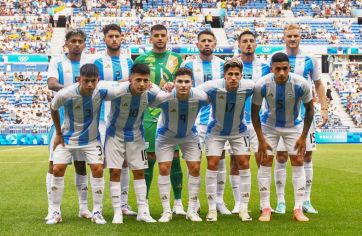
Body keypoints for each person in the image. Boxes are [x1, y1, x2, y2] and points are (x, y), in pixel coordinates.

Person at [46, 64, 129, 225]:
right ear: (79, 80)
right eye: (86, 81)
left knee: (98, 169)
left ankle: (97, 211)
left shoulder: (101, 90)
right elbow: (53, 107)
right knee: (57, 169)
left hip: (91, 140)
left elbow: (121, 85)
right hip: (68, 139)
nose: (90, 85)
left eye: (93, 81)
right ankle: (55, 211)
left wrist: (134, 80)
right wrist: (58, 133)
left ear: (98, 80)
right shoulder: (67, 93)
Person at [251, 52, 314, 222]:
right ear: (271, 68)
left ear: (289, 68)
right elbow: (254, 113)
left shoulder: (301, 84)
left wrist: (303, 136)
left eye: (285, 69)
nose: (281, 73)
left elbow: (310, 110)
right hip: (268, 126)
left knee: (298, 161)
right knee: (265, 161)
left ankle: (298, 209)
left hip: (293, 126)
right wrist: (261, 139)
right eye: (277, 69)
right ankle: (265, 208)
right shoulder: (262, 84)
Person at [273, 24, 328, 214]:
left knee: (307, 156)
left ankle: (306, 199)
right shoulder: (277, 57)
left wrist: (324, 108)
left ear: (300, 37)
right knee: (280, 156)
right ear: (284, 37)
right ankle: (281, 201)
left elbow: (319, 84)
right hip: (281, 117)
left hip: (305, 116)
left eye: (296, 35)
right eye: (289, 36)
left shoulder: (310, 58)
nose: (293, 39)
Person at [134, 24, 185, 214]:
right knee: (149, 158)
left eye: (163, 35)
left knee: (174, 158)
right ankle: (144, 204)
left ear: (167, 37)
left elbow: (186, 81)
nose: (160, 38)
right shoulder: (141, 59)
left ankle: (178, 202)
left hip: (171, 115)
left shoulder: (176, 58)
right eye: (156, 35)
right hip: (147, 114)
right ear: (150, 38)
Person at [197, 59, 254, 222]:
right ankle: (212, 209)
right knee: (213, 164)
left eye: (237, 74)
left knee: (244, 164)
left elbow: (263, 92)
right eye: (230, 74)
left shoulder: (249, 87)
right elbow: (191, 93)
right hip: (216, 132)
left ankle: (243, 208)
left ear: (241, 75)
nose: (234, 78)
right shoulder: (212, 86)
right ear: (224, 75)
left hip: (239, 131)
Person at [181, 30, 230, 215]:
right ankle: (193, 203)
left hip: (217, 122)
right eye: (203, 41)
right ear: (197, 44)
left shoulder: (223, 65)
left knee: (220, 160)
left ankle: (218, 200)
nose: (207, 44)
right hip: (194, 122)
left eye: (210, 40)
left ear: (215, 43)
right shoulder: (188, 64)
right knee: (193, 162)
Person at [45, 29, 91, 221]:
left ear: (84, 44)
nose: (77, 44)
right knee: (54, 165)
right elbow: (51, 83)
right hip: (60, 122)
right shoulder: (57, 61)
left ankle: (83, 208)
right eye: (73, 41)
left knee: (81, 165)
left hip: (83, 123)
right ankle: (53, 209)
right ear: (66, 43)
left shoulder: (88, 63)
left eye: (80, 41)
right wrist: (75, 90)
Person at [105, 63, 158, 224]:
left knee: (139, 172)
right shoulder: (117, 91)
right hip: (115, 135)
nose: (142, 84)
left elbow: (166, 96)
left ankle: (143, 211)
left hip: (136, 136)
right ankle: (117, 212)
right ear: (130, 80)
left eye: (145, 80)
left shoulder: (152, 92)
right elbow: (99, 88)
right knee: (115, 172)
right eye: (138, 80)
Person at [154, 68, 208, 223]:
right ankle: (166, 211)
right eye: (180, 82)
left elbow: (217, 97)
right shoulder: (164, 97)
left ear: (192, 83)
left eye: (186, 82)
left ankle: (192, 210)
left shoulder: (200, 97)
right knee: (164, 169)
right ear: (174, 83)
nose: (183, 85)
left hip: (189, 135)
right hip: (166, 136)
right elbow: (148, 97)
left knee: (195, 169)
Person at [93, 23, 135, 216]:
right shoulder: (98, 63)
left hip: (123, 119)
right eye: (110, 36)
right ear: (105, 39)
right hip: (102, 119)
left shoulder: (129, 62)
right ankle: (98, 209)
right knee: (100, 163)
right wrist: (119, 83)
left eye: (117, 36)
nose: (114, 39)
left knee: (124, 162)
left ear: (122, 37)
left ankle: (124, 204)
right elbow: (95, 84)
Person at [229, 30, 270, 214]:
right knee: (236, 162)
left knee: (262, 160)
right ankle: (238, 202)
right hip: (236, 122)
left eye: (251, 41)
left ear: (256, 44)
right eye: (244, 41)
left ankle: (264, 203)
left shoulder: (265, 66)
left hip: (258, 122)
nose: (248, 44)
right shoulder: (230, 64)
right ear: (239, 44)